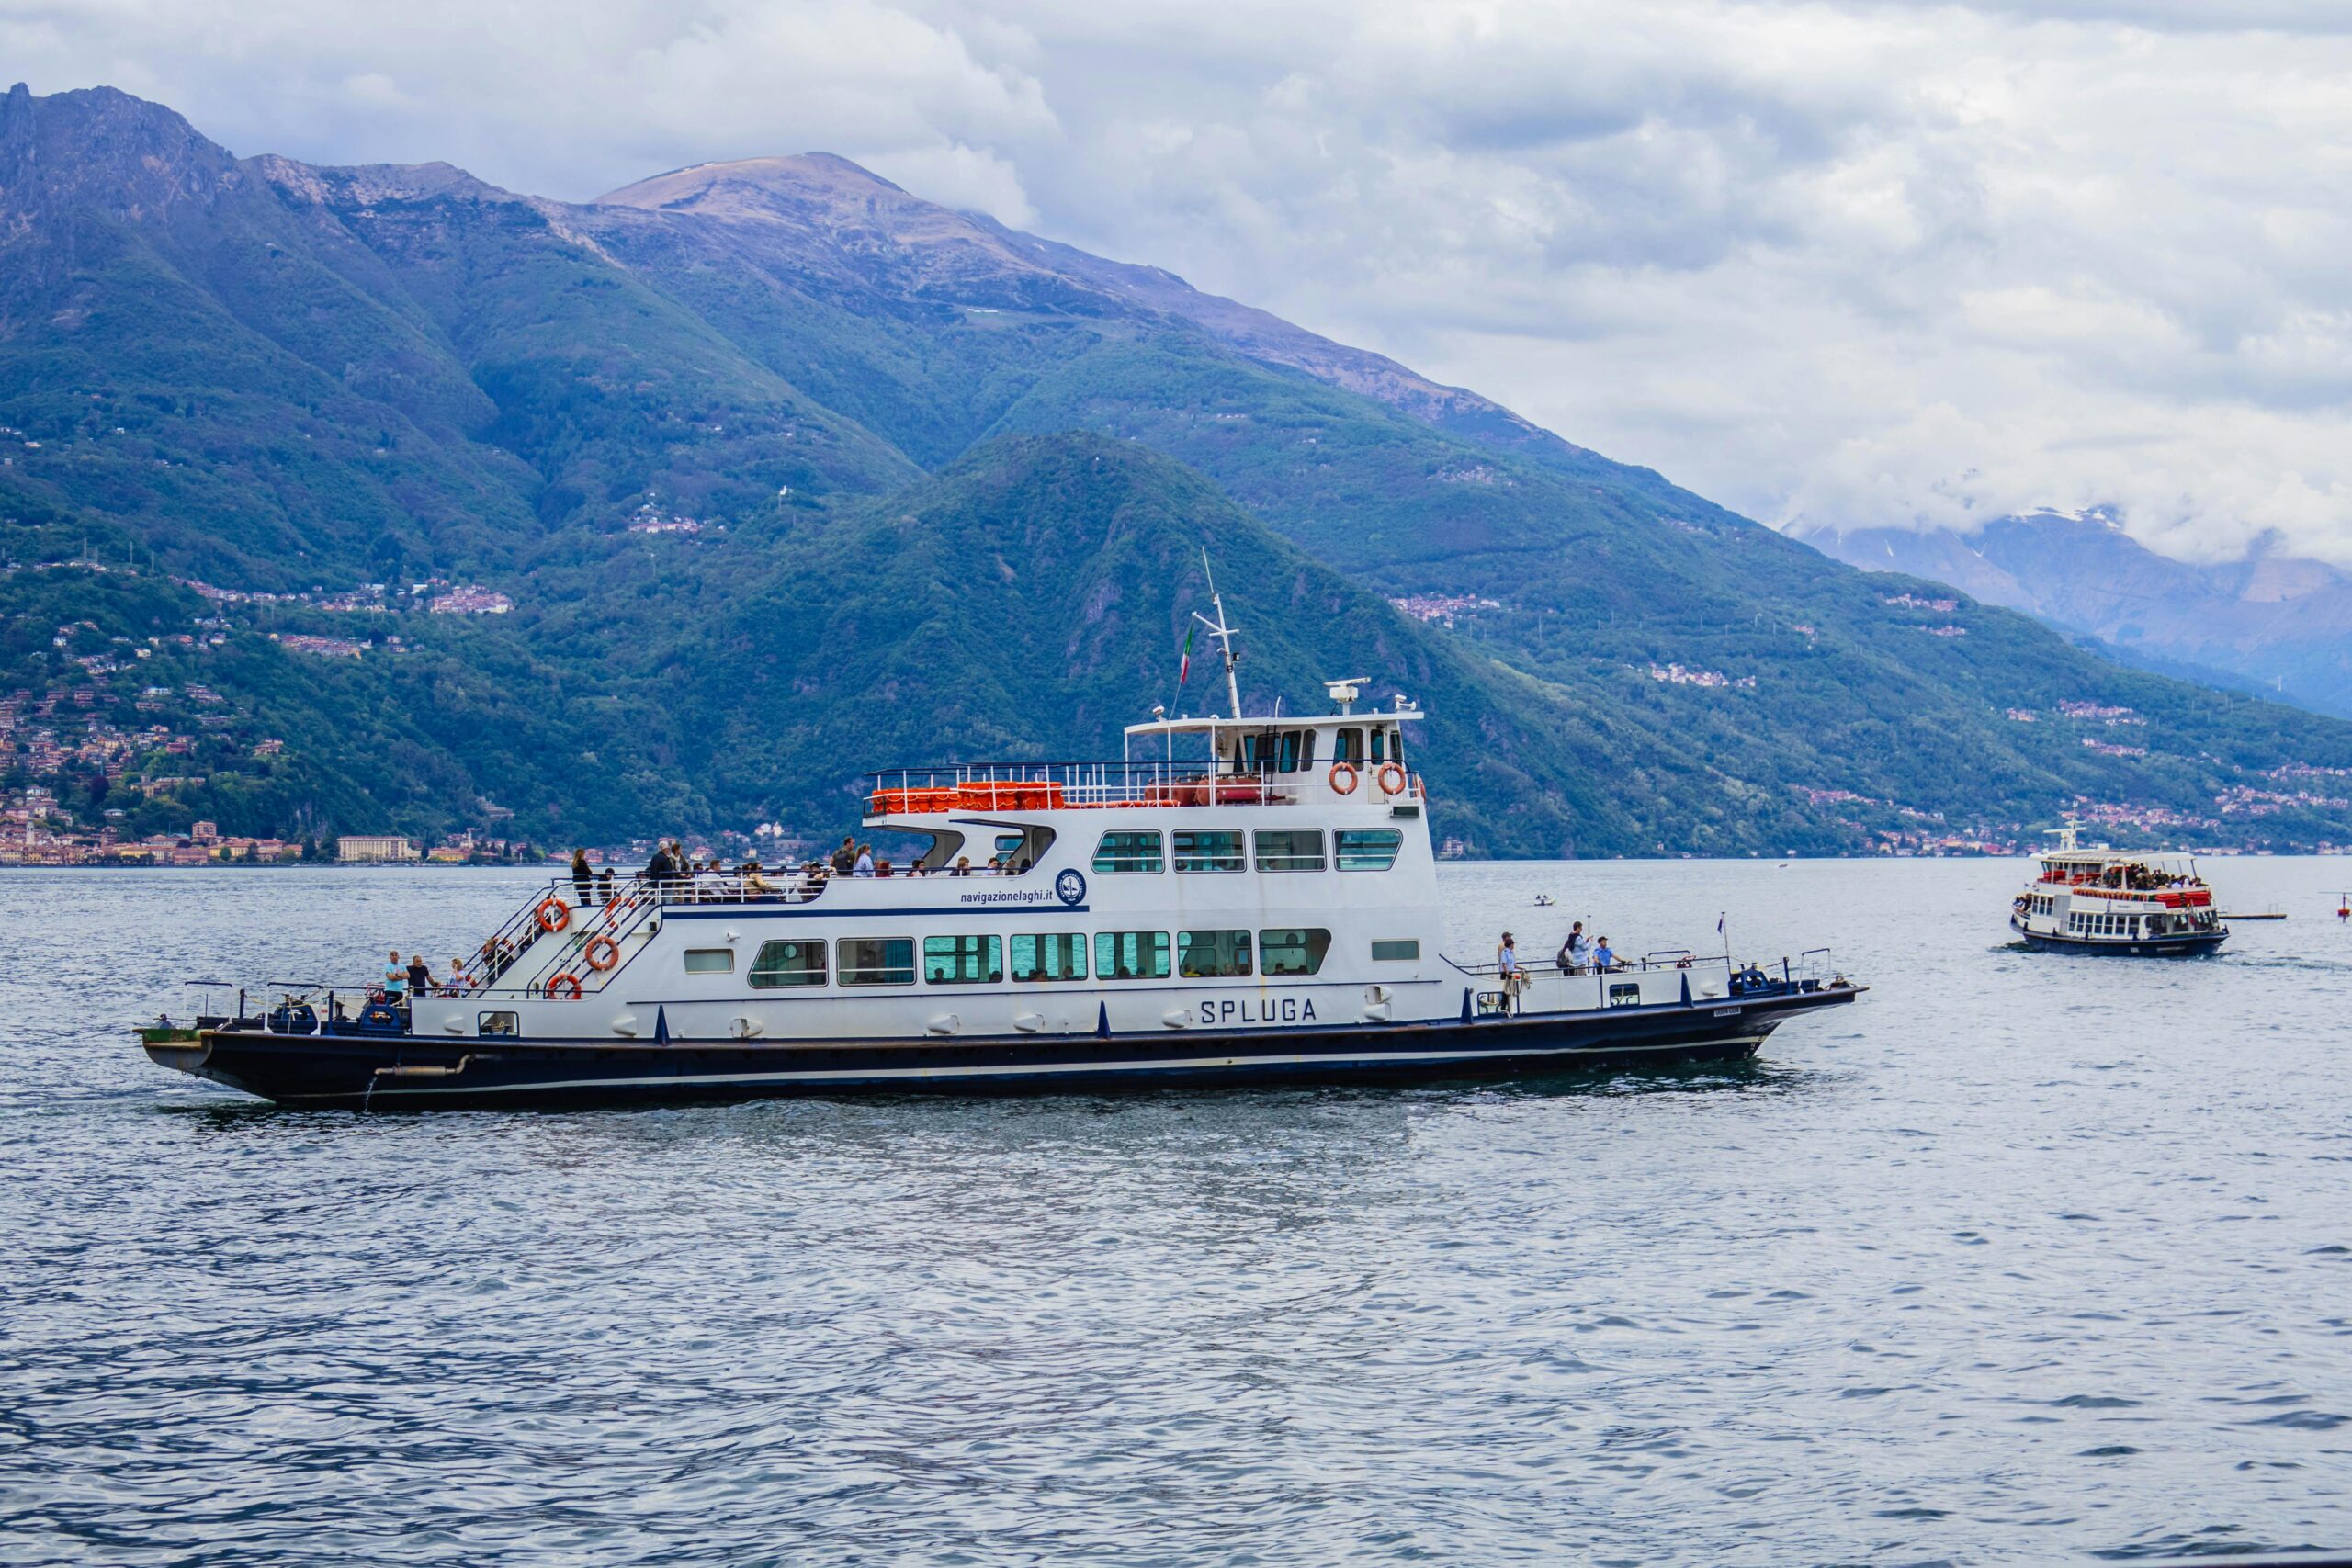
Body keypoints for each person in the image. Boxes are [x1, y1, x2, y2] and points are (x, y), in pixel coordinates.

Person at [1497, 931, 1521, 1014]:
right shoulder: (1504, 951)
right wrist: (1507, 973)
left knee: (1509, 990)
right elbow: (1504, 963)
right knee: (1505, 991)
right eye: (1513, 944)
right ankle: (1504, 1008)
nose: (1514, 945)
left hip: (1510, 972)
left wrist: (1521, 968)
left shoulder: (1511, 953)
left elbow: (1513, 964)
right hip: (1506, 973)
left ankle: (1510, 1007)